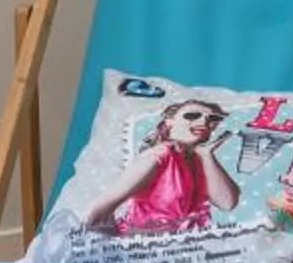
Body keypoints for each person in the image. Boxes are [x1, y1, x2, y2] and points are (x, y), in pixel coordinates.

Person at [80, 98, 241, 234]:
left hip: (185, 253)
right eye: (192, 115)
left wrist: (207, 154)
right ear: (169, 122)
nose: (204, 121)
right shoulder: (159, 155)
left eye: (212, 119)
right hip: (144, 249)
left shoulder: (198, 160)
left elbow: (227, 203)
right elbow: (103, 205)